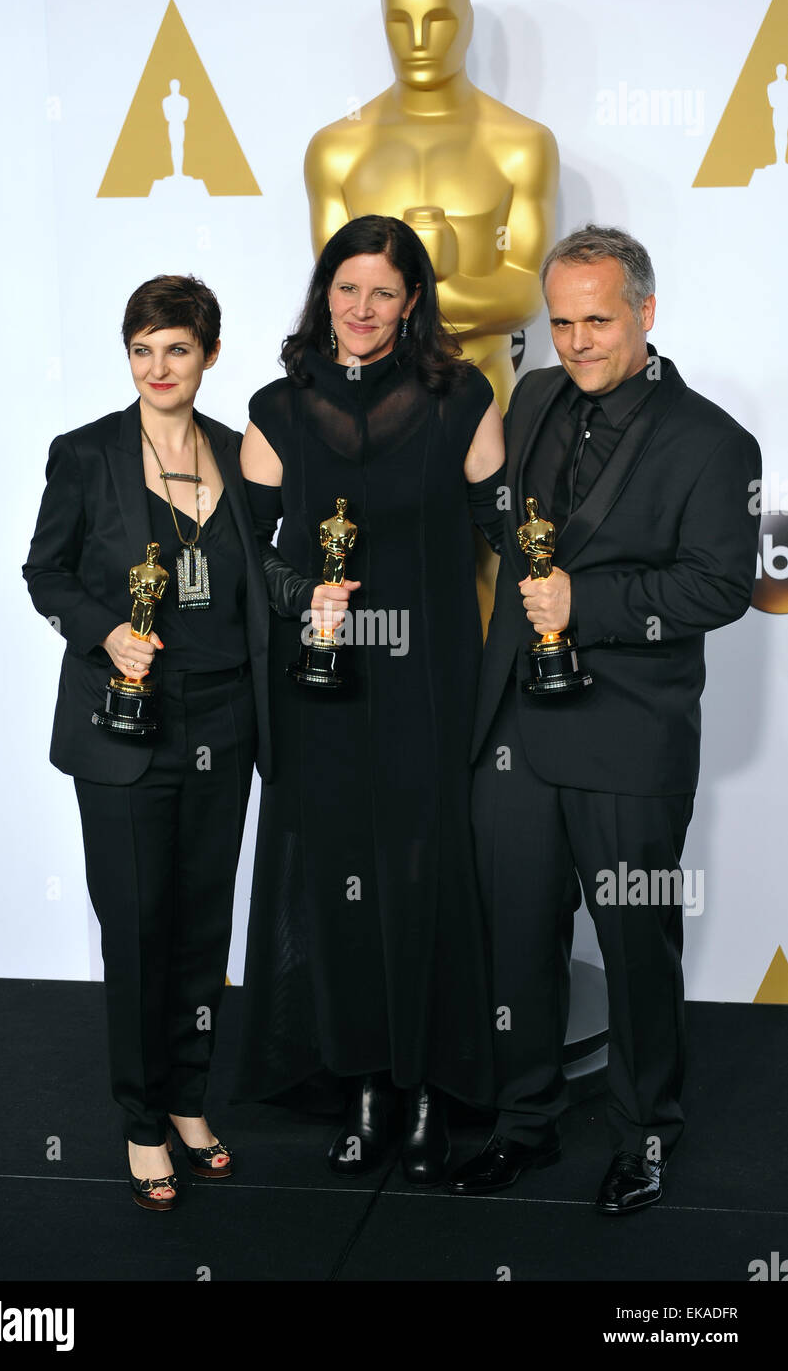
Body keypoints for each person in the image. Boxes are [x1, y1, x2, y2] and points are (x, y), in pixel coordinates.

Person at [446, 225, 761, 1213]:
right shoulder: (532, 395)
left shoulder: (714, 441)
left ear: (645, 313)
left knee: (634, 948)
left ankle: (644, 1136)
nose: (578, 340)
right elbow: (501, 519)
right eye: (562, 320)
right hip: (514, 736)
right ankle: (525, 1121)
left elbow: (716, 587)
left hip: (628, 741)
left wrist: (588, 603)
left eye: (598, 319)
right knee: (516, 942)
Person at [231, 214, 505, 1186]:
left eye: (383, 291)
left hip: (428, 681)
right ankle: (359, 1086)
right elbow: (243, 554)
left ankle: (429, 1094)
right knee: (337, 882)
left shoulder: (459, 397)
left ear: (414, 301)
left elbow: (509, 537)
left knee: (424, 883)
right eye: (346, 288)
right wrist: (301, 593)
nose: (361, 308)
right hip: (325, 687)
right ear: (323, 294)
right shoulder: (277, 406)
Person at [23, 274, 271, 1210]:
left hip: (224, 719)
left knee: (204, 926)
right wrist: (105, 632)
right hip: (124, 726)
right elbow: (45, 571)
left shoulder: (243, 456)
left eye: (176, 348)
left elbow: (262, 582)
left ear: (208, 354)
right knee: (136, 928)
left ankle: (190, 1099)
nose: (158, 368)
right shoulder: (84, 454)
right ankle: (140, 1119)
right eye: (142, 349)